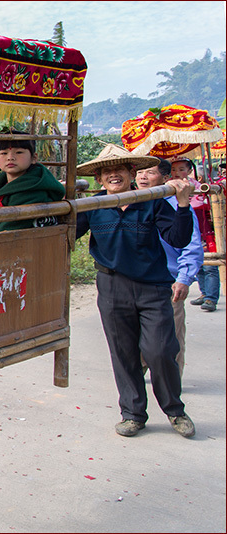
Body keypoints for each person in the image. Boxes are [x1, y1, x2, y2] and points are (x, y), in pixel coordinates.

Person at [76, 144, 196, 438]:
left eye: (119, 169)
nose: (113, 175)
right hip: (112, 287)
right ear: (99, 178)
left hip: (153, 288)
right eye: (106, 171)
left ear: (132, 173)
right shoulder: (93, 205)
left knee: (161, 351)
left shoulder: (152, 201)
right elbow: (62, 233)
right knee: (123, 352)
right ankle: (132, 414)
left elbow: (179, 239)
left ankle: (175, 410)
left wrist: (182, 205)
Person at [135, 158, 204, 378]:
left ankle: (172, 381)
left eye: (150, 172)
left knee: (169, 336)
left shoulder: (177, 206)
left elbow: (192, 246)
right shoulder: (131, 202)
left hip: (168, 281)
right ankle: (137, 376)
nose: (143, 177)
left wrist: (183, 278)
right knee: (136, 335)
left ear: (166, 178)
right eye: (140, 172)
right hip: (136, 282)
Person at [0, 129, 67, 231]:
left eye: (19, 152)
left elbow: (8, 229)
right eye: (4, 153)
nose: (10, 157)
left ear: (34, 158)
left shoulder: (34, 189)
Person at [172, 158, 221, 313]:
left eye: (181, 169)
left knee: (209, 266)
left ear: (189, 171)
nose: (177, 173)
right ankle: (204, 292)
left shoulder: (198, 187)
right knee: (197, 266)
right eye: (173, 170)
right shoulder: (168, 189)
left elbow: (203, 205)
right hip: (185, 230)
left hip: (203, 231)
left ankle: (211, 298)